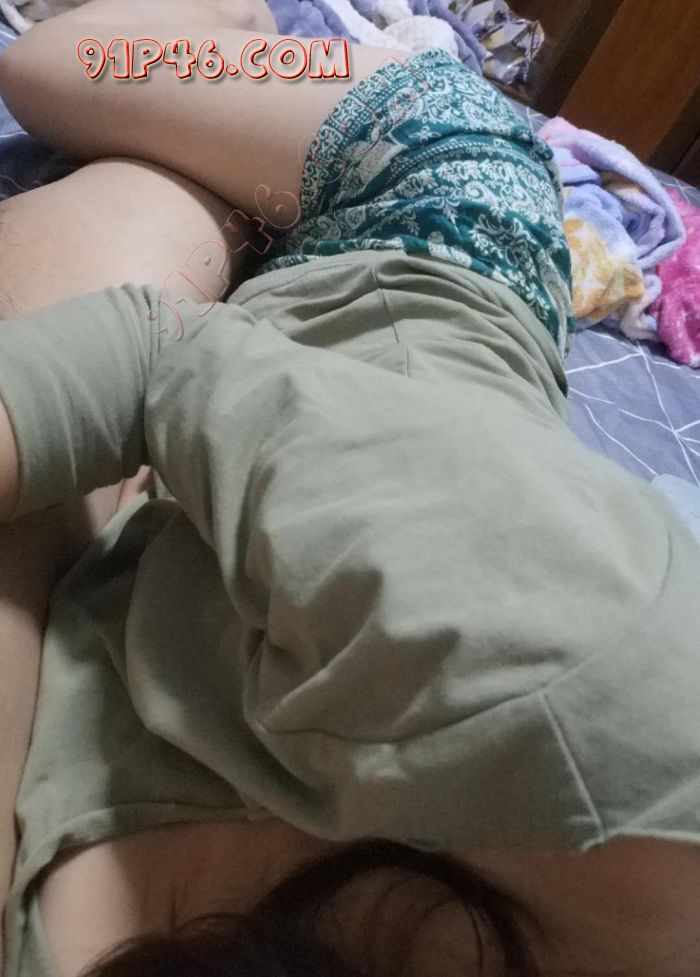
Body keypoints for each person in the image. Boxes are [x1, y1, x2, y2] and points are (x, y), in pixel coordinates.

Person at [1, 2, 700, 976]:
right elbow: (160, 349)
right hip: (426, 223)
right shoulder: (592, 706)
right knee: (54, 66)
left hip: (259, 473)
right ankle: (248, 17)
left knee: (149, 198)